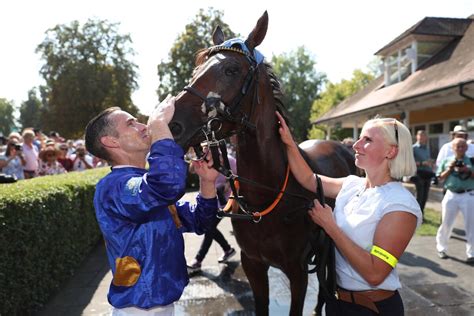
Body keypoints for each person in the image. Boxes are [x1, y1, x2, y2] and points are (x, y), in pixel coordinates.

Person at [84, 96, 220, 314]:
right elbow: (165, 184)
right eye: (131, 123)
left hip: (164, 307)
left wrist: (207, 181)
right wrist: (158, 126)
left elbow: (201, 221)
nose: (143, 125)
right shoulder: (112, 187)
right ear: (111, 141)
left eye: (140, 121)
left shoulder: (145, 185)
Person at [277, 112, 422, 315]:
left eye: (367, 140)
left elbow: (375, 273)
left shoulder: (400, 205)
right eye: (359, 138)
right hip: (337, 302)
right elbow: (308, 179)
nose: (356, 145)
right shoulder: (352, 184)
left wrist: (331, 227)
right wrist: (290, 143)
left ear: (391, 151)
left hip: (371, 309)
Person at [187, 153, 237, 272]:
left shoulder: (229, 160)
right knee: (209, 227)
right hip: (207, 200)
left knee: (209, 228)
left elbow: (237, 177)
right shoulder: (204, 159)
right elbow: (191, 170)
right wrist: (196, 158)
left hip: (224, 202)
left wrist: (226, 185)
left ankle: (198, 260)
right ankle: (227, 249)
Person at [435, 138, 474, 263]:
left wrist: (468, 171)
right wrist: (450, 168)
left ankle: (471, 253)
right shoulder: (447, 161)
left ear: (467, 148)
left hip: (468, 195)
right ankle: (442, 248)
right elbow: (439, 178)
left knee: (471, 225)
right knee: (446, 222)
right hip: (451, 194)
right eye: (458, 146)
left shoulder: (472, 161)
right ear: (453, 148)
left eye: (463, 146)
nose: (460, 149)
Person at [411, 130, 435, 214]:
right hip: (419, 175)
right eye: (420, 135)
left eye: (423, 136)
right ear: (417, 136)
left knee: (425, 196)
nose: (421, 137)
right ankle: (416, 214)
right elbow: (410, 162)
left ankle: (421, 214)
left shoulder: (427, 149)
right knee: (419, 196)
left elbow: (427, 160)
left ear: (426, 138)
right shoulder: (413, 148)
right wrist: (422, 163)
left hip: (428, 174)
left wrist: (430, 163)